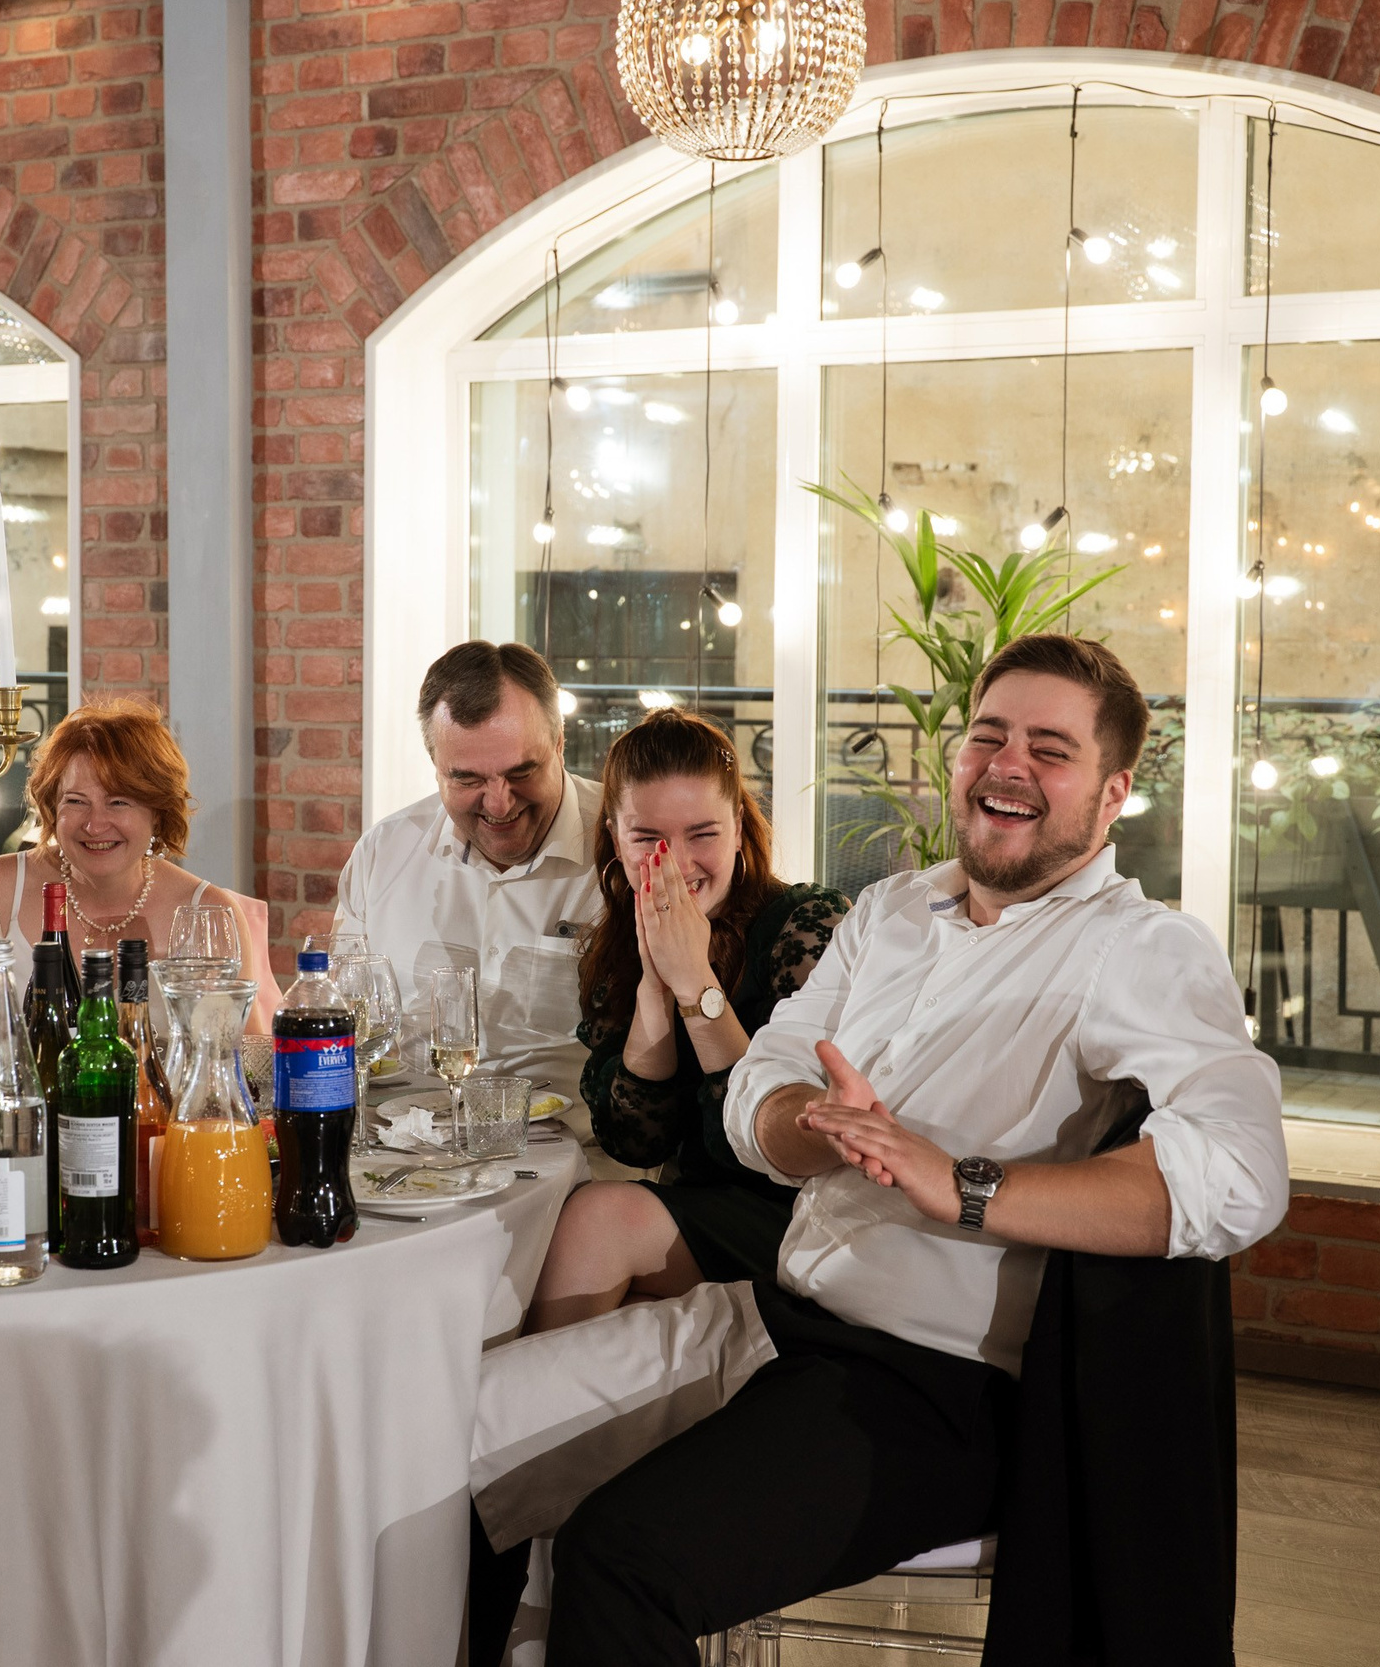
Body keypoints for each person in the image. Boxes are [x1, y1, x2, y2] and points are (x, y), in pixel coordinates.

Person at [536, 634, 1291, 1663]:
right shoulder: (893, 909)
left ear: (1112, 794)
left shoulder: (1143, 947)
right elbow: (760, 1079)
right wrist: (808, 1125)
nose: (1007, 763)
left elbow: (1240, 1176)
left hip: (927, 1383)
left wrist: (961, 1182)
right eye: (988, 734)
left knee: (618, 1556)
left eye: (1049, 748)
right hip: (772, 1314)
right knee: (431, 1454)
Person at [526, 710, 850, 1331]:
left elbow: (780, 1137)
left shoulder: (808, 924)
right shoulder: (615, 947)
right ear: (614, 840)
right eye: (648, 838)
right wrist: (654, 984)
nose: (676, 862)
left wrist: (696, 984)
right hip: (697, 1207)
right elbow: (635, 1142)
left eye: (703, 833)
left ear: (737, 830)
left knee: (598, 1219)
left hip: (807, 1208)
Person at [335, 641, 602, 1115]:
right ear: (435, 767)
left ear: (560, 744)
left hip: (583, 1166)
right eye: (467, 780)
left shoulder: (625, 848)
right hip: (410, 1159)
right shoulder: (382, 854)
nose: (499, 803)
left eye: (522, 771)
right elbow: (340, 1023)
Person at [0, 697, 281, 1024]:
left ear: (157, 813)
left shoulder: (206, 913)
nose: (94, 825)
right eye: (76, 801)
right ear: (53, 807)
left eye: (118, 802)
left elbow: (243, 1066)